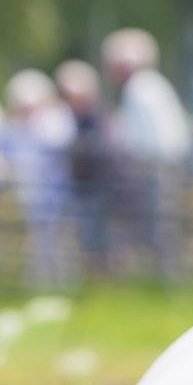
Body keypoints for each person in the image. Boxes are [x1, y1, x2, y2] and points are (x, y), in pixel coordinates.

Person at [100, 28, 192, 275]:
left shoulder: (139, 88)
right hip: (161, 165)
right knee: (160, 224)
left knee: (158, 225)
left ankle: (164, 274)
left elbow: (140, 138)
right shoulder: (151, 85)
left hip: (153, 167)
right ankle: (162, 274)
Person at [0, 69, 76, 288]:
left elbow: (59, 143)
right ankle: (39, 282)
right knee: (35, 242)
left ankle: (64, 282)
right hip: (27, 196)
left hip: (54, 194)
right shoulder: (12, 129)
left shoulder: (54, 121)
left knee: (58, 240)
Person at [56, 59, 113, 277]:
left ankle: (99, 279)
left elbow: (99, 149)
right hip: (80, 187)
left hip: (97, 188)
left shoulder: (96, 117)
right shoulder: (73, 117)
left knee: (96, 239)